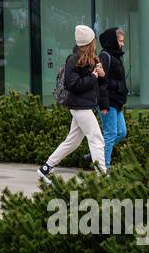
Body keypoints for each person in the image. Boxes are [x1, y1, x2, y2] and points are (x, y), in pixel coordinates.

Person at [38, 24, 106, 187]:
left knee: (72, 142)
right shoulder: (73, 59)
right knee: (97, 139)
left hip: (84, 105)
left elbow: (94, 83)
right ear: (89, 42)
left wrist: (101, 75)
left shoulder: (91, 58)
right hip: (79, 106)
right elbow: (71, 84)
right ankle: (102, 176)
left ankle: (45, 169)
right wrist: (93, 76)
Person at [98, 27, 128, 168]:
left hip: (117, 102)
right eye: (120, 41)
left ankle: (97, 153)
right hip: (108, 102)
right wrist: (103, 105)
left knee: (121, 132)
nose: (122, 44)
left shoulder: (116, 56)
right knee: (110, 134)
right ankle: (104, 167)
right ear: (113, 41)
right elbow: (101, 81)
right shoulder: (105, 56)